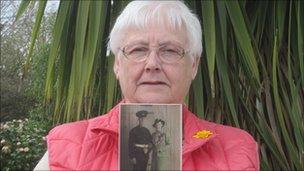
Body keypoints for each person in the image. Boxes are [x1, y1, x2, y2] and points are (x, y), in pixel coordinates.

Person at [34, 1, 259, 170]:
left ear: (193, 65)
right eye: (138, 50)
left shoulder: (237, 149)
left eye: (170, 50)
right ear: (118, 65)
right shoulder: (66, 148)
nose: (152, 64)